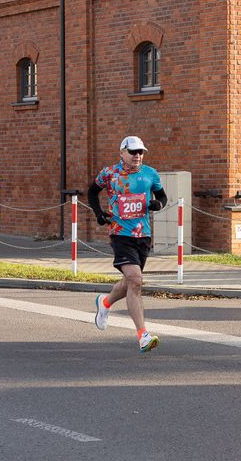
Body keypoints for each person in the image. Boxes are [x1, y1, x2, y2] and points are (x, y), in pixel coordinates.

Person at [88, 136, 168, 353]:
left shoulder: (150, 173)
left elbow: (162, 196)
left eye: (141, 152)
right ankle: (143, 335)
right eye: (133, 152)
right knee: (135, 279)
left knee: (130, 282)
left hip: (143, 235)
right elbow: (92, 191)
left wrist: (158, 203)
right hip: (120, 232)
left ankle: (105, 303)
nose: (137, 156)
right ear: (122, 152)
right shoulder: (109, 173)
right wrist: (98, 214)